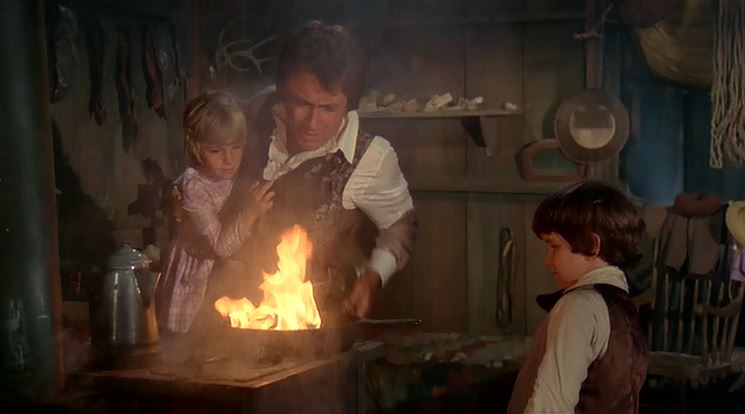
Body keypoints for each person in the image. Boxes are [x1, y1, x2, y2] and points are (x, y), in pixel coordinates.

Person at [221, 20, 416, 318]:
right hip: (234, 310)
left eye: (328, 108)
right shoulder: (258, 110)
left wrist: (372, 278)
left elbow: (400, 229)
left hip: (312, 319)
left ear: (349, 105)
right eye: (301, 104)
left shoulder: (370, 158)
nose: (312, 124)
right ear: (283, 91)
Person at [507, 180, 648, 414]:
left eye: (554, 246)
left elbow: (551, 405)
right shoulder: (623, 310)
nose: (547, 261)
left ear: (592, 245)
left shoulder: (579, 306)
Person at [155, 90, 274, 333]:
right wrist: (250, 213)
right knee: (195, 340)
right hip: (197, 276)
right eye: (216, 151)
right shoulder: (194, 187)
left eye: (236, 147)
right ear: (196, 148)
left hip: (228, 274)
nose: (229, 159)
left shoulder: (237, 175)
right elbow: (220, 247)